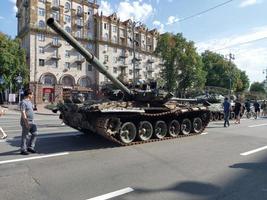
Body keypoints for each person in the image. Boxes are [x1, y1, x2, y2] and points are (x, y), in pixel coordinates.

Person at [20, 89, 38, 155]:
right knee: (25, 136)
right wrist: (26, 122)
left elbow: (31, 110)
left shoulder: (29, 102)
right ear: (29, 95)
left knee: (35, 133)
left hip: (32, 121)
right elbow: (23, 113)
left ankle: (30, 147)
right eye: (32, 94)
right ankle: (23, 150)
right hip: (26, 121)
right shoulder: (23, 102)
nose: (32, 95)